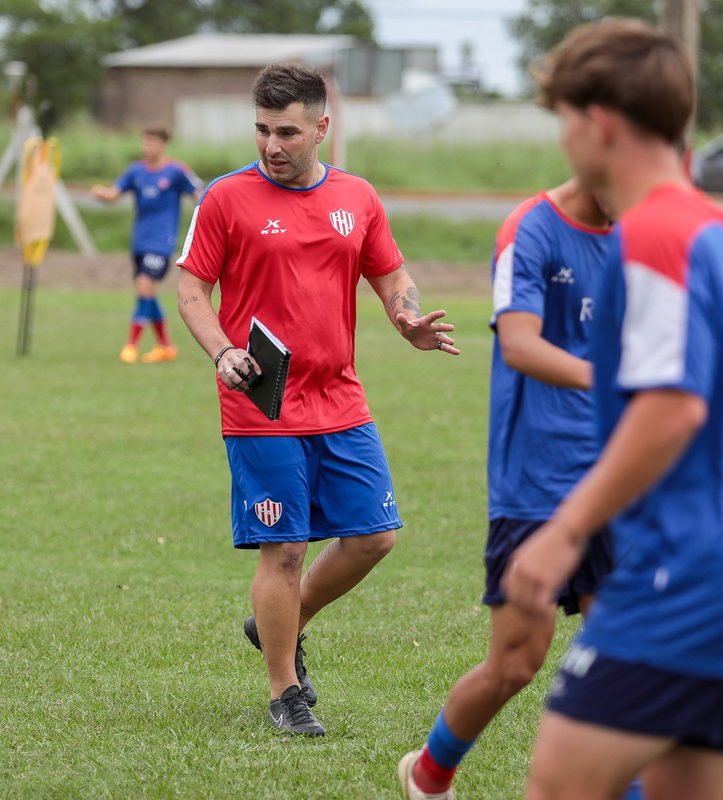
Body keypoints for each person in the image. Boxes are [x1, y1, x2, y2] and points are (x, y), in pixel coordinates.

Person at [502, 20, 723, 800]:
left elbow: (672, 410)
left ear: (599, 121)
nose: (566, 138)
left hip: (690, 573)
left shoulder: (653, 237)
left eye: (566, 119)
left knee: (559, 787)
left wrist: (562, 534)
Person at [175, 62, 459, 738]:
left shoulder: (357, 197)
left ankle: (277, 621)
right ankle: (285, 691)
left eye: (289, 132)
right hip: (262, 404)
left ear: (322, 128)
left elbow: (391, 274)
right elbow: (191, 290)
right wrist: (223, 353)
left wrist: (407, 317)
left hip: (340, 398)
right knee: (286, 549)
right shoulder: (225, 198)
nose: (272, 146)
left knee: (375, 536)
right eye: (263, 131)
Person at [399, 178, 633, 800]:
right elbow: (521, 343)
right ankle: (429, 773)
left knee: (628, 658)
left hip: (613, 473)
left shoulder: (641, 234)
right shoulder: (530, 228)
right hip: (535, 479)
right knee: (517, 663)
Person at [91, 125, 201, 364]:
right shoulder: (136, 171)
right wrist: (102, 193)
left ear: (163, 145)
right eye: (144, 142)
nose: (146, 147)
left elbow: (200, 196)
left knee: (143, 286)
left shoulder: (176, 171)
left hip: (162, 242)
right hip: (139, 241)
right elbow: (113, 194)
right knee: (148, 292)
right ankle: (166, 346)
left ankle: (131, 345)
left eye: (151, 143)